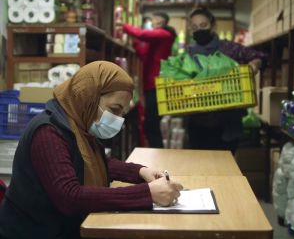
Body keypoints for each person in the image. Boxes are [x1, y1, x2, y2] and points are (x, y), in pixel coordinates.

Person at [0, 61, 183, 239]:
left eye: (122, 113)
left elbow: (88, 161)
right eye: (114, 109)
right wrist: (146, 194)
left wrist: (141, 172)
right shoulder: (48, 132)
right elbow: (69, 197)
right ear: (89, 96)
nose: (118, 120)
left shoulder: (77, 124)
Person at [186, 8, 266, 154]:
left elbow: (257, 56)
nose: (199, 30)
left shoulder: (229, 48)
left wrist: (253, 66)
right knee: (199, 167)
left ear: (213, 25)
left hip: (228, 123)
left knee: (224, 168)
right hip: (198, 123)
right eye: (194, 27)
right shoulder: (189, 53)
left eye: (203, 25)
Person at [121, 13, 177, 148]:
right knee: (151, 125)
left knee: (151, 125)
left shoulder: (164, 34)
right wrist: (133, 44)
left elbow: (142, 35)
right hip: (151, 85)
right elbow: (144, 52)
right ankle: (158, 154)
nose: (153, 22)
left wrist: (123, 25)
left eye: (156, 19)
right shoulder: (158, 38)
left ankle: (159, 155)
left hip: (157, 85)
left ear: (163, 22)